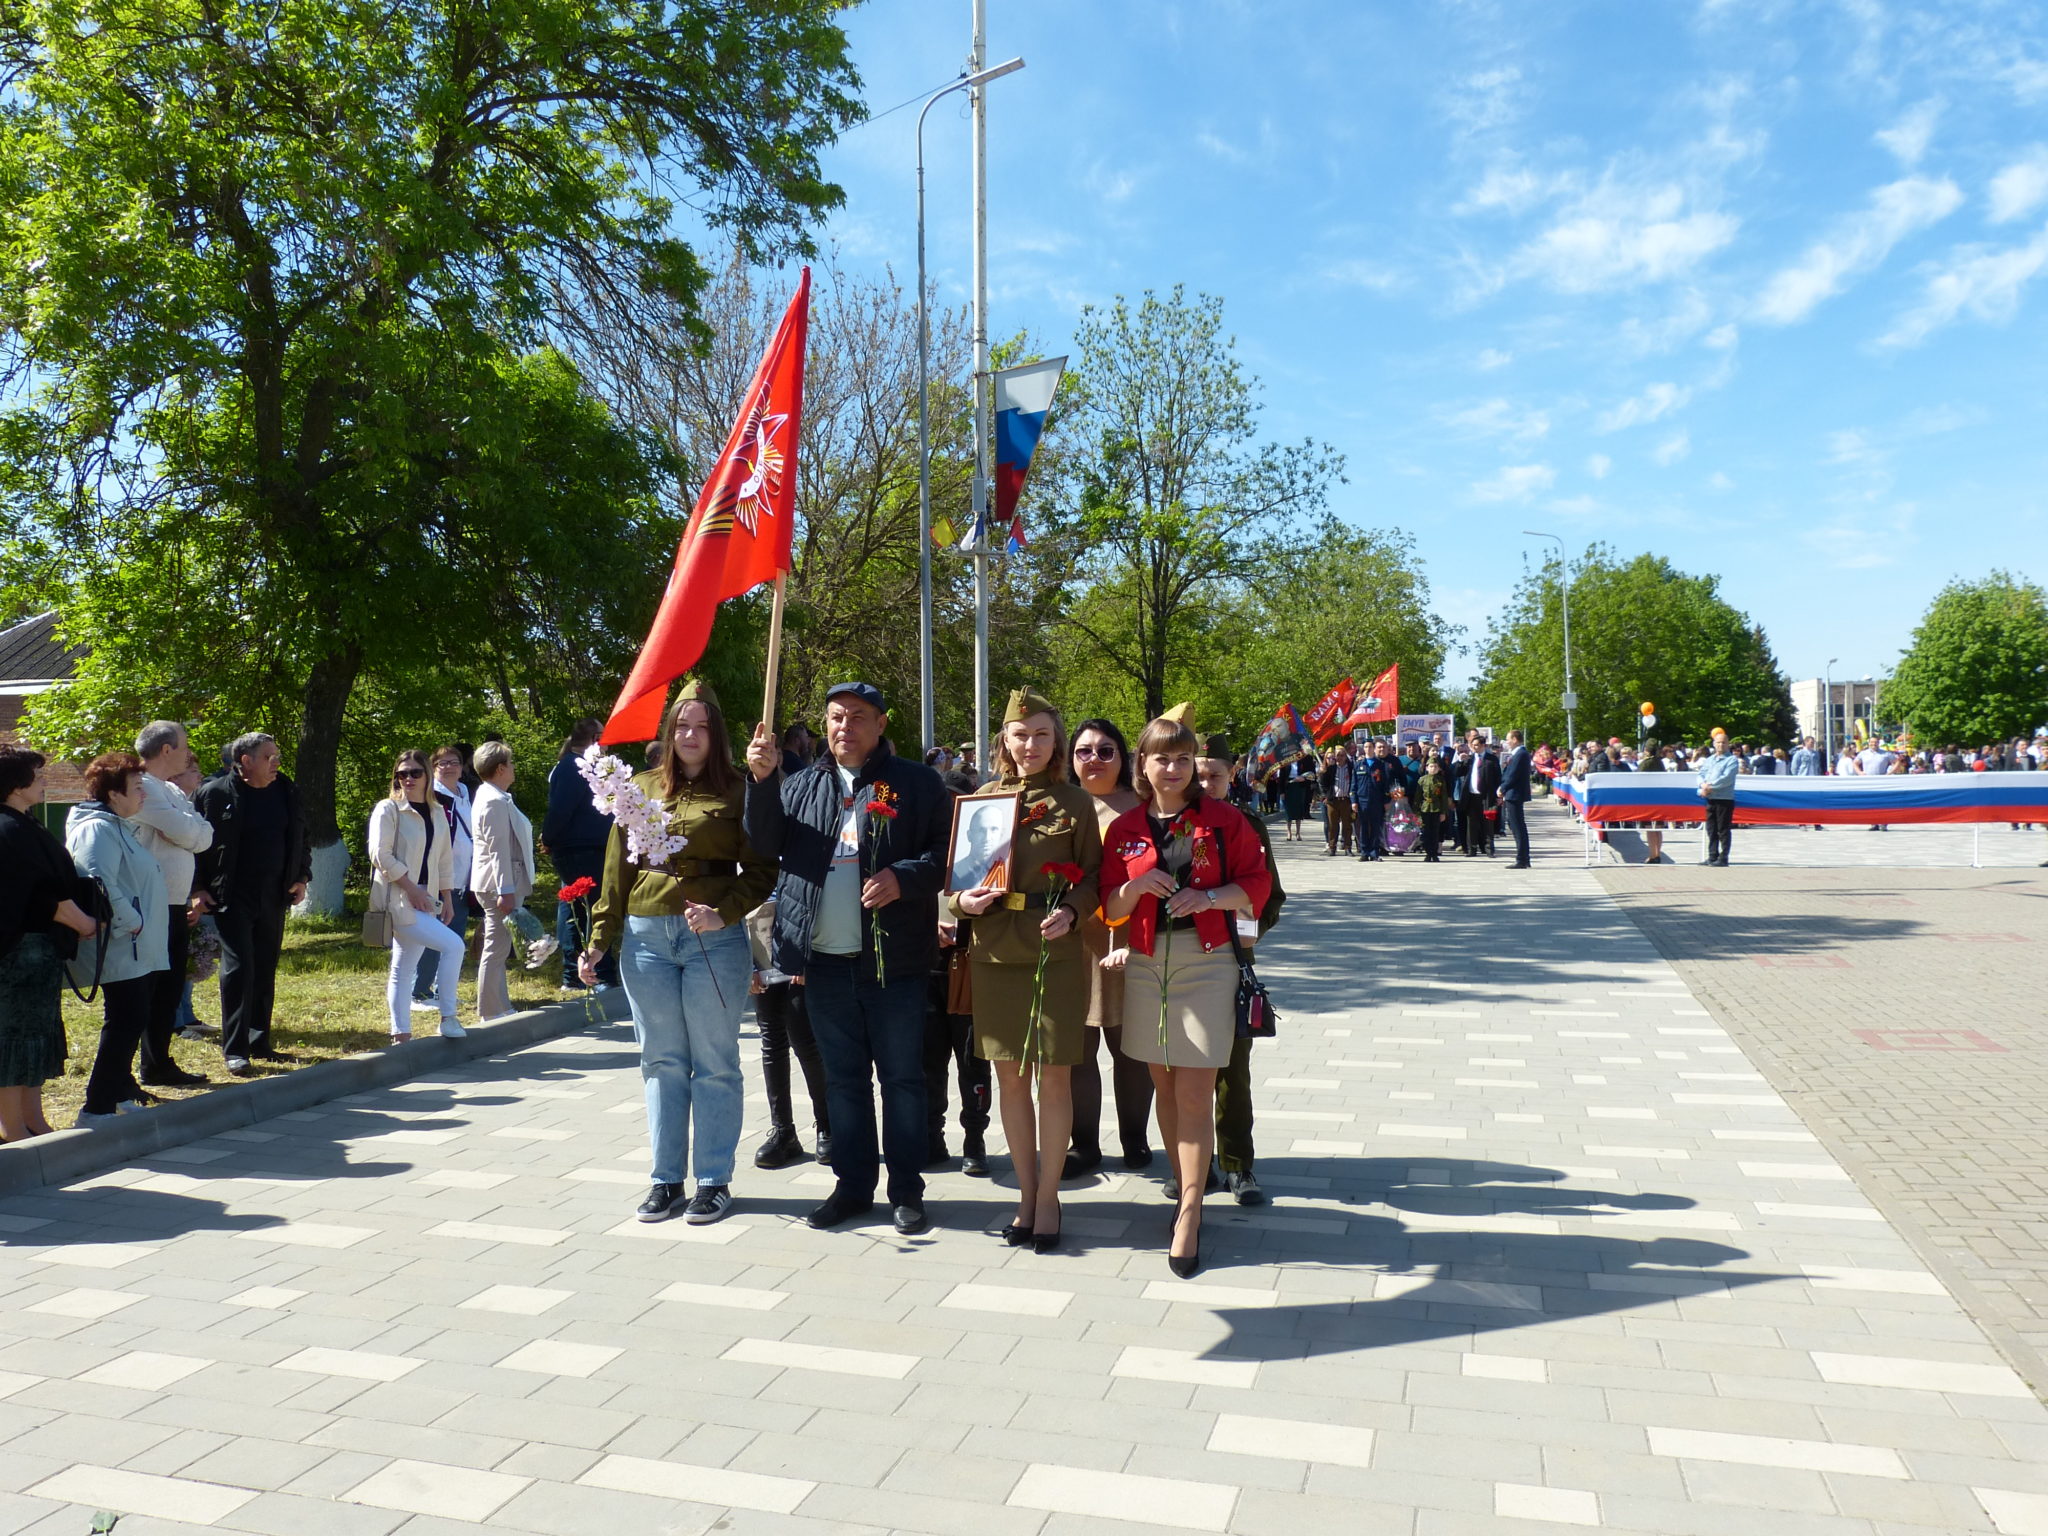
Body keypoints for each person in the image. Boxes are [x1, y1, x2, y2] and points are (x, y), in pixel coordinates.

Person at [745, 681, 950, 1236]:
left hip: (895, 961)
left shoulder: (917, 782)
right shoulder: (802, 785)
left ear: (882, 724)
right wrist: (763, 782)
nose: (845, 727)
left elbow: (944, 856)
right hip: (825, 961)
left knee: (902, 1080)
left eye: (858, 717)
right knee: (843, 1080)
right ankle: (853, 1186)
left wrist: (902, 878)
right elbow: (763, 846)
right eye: (836, 717)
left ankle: (906, 1188)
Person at [579, 682, 776, 1224]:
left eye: (702, 727)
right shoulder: (639, 787)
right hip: (646, 939)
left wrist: (725, 913)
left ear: (717, 735)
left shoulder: (739, 790)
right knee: (661, 1061)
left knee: (714, 1063)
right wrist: (599, 938)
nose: (690, 736)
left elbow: (762, 872)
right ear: (669, 734)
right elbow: (616, 872)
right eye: (681, 726)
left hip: (712, 936)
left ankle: (713, 1179)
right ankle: (666, 1178)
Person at [1100, 714, 1271, 1277]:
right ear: (1142, 765)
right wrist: (1133, 886)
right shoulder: (1124, 827)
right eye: (1160, 758)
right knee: (1165, 1090)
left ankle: (1191, 1214)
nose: (1170, 768)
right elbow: (1111, 907)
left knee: (1196, 1090)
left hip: (1208, 962)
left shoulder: (1225, 820)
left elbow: (1257, 886)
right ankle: (1185, 1189)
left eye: (1181, 758)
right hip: (1146, 964)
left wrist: (1211, 897)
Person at [950, 690, 1102, 1252]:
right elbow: (957, 880)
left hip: (1053, 950)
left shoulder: (1075, 803)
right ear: (1004, 742)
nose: (1030, 745)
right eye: (1020, 735)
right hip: (994, 950)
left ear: (1056, 741)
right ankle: (1025, 1192)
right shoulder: (981, 800)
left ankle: (1049, 1197)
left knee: (1054, 1076)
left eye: (1042, 734)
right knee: (1010, 1078)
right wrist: (958, 905)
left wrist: (1072, 910)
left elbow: (1092, 878)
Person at [1198, 735, 1285, 1207]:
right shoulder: (1170, 824)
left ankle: (1237, 1164)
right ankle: (1191, 1165)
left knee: (1233, 1070)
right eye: (1199, 773)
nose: (1206, 782)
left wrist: (1251, 929)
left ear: (1232, 775)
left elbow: (1270, 894)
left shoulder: (1248, 825)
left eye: (1215, 774)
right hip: (1178, 960)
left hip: (1232, 960)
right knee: (1183, 1071)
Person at [1066, 718, 1154, 1175]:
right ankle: (1083, 1144)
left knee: (1131, 1048)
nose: (1095, 759)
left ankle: (1135, 1140)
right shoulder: (1061, 805)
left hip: (1130, 940)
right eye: (1084, 751)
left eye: (1106, 750)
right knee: (1078, 1050)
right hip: (1071, 941)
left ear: (1124, 757)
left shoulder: (1145, 806)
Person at [192, 733, 309, 1074]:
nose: (277, 762)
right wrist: (198, 887)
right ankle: (236, 1050)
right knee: (239, 967)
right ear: (246, 760)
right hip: (230, 895)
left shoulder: (286, 790)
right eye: (269, 756)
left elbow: (301, 836)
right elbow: (196, 846)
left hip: (274, 894)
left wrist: (302, 876)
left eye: (277, 755)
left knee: (263, 965)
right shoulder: (214, 794)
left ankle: (260, 1041)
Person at [65, 753, 169, 1124]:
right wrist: (133, 921)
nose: (143, 795)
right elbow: (98, 882)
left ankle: (121, 1091)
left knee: (133, 1017)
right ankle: (96, 1106)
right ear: (113, 793)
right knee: (126, 1018)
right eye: (137, 788)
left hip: (137, 946)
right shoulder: (96, 829)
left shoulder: (118, 826)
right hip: (122, 944)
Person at [1, 746, 98, 1141]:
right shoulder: (9, 830)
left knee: (36, 1037)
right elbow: (41, 895)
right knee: (14, 1040)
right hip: (19, 954)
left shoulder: (23, 824)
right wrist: (86, 922)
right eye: (37, 775)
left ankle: (32, 1118)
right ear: (16, 783)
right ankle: (10, 1126)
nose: (44, 780)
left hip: (36, 954)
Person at [129, 721, 214, 1088]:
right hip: (151, 904)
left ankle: (158, 1063)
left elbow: (204, 835)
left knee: (168, 988)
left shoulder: (170, 790)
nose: (186, 752)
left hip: (175, 904)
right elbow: (186, 832)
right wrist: (188, 831)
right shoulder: (142, 786)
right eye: (183, 746)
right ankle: (136, 1068)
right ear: (166, 750)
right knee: (148, 989)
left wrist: (188, 831)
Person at [367, 750, 466, 1046]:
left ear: (427, 774)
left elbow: (444, 860)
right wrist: (411, 888)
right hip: (399, 898)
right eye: (401, 774)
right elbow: (379, 854)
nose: (407, 779)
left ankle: (401, 1035)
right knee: (454, 946)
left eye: (414, 773)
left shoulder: (437, 811)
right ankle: (448, 1017)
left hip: (428, 897)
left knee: (403, 965)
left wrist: (446, 898)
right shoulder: (389, 809)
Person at [748, 898, 831, 1170]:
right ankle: (783, 1132)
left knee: (805, 1040)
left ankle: (828, 1127)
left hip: (801, 947)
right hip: (760, 950)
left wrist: (809, 956)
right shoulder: (748, 854)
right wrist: (747, 965)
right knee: (771, 1042)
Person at [470, 741, 550, 1022]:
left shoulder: (497, 796)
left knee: (499, 948)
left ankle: (499, 1006)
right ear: (501, 768)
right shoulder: (492, 801)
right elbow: (498, 850)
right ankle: (491, 1012)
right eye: (511, 764)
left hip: (501, 882)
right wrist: (505, 891)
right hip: (498, 885)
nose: (514, 769)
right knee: (496, 948)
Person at [543, 718, 617, 991]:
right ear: (595, 738)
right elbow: (560, 810)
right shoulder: (572, 767)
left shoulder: (594, 768)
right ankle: (598, 975)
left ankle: (579, 975)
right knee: (589, 913)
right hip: (580, 850)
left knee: (582, 912)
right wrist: (548, 837)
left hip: (593, 848)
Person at [412, 746, 475, 1013]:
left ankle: (441, 989)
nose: (449, 767)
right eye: (442, 763)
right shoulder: (433, 795)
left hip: (463, 877)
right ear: (434, 767)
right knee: (433, 936)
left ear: (462, 767)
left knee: (455, 935)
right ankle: (419, 992)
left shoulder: (465, 793)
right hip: (438, 877)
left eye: (454, 762)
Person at [1695, 729, 1741, 866]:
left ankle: (1723, 857)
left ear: (1728, 744)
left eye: (1723, 742)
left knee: (1723, 829)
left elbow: (1726, 779)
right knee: (1711, 829)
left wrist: (1709, 787)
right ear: (1714, 744)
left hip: (1724, 799)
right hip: (1710, 798)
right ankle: (1712, 856)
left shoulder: (1732, 760)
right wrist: (1702, 785)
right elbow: (1700, 774)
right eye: (1718, 742)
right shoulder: (1709, 760)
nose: (1721, 745)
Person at [1461, 733, 1501, 856]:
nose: (1474, 748)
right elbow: (1458, 772)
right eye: (1472, 745)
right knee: (1471, 824)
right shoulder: (1470, 758)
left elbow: (1498, 778)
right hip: (1472, 796)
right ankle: (1472, 849)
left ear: (1483, 745)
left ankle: (1489, 849)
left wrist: (1499, 795)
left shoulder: (1491, 759)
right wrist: (1461, 761)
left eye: (1477, 745)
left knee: (1487, 824)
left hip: (1486, 796)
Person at [1499, 729, 1533, 868]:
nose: (1506, 742)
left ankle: (1522, 859)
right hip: (1512, 793)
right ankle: (1523, 857)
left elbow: (1513, 774)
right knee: (1515, 825)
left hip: (1515, 794)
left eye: (1508, 739)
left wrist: (1503, 787)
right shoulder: (1518, 754)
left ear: (1514, 739)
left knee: (1517, 826)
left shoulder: (1521, 754)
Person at [1318, 741, 1355, 856]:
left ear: (1345, 756)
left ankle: (1347, 847)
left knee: (1347, 825)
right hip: (1333, 801)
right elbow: (1323, 783)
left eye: (1342, 755)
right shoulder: (1331, 768)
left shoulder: (1351, 767)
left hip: (1346, 800)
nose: (1340, 757)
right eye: (1338, 755)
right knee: (1332, 826)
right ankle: (1332, 847)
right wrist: (1325, 795)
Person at [1416, 750, 1450, 861]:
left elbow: (1444, 797)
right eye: (1431, 766)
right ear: (1426, 768)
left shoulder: (1441, 781)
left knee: (1435, 832)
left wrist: (1443, 812)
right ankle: (1428, 853)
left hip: (1436, 808)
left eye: (1435, 766)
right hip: (1425, 808)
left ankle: (1434, 853)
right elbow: (1418, 797)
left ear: (1438, 768)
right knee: (1426, 832)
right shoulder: (1422, 780)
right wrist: (1416, 813)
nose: (1433, 768)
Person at [1280, 757, 1314, 842]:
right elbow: (1281, 777)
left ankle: (1298, 832)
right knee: (1289, 810)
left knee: (1299, 808)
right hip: (1289, 787)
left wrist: (1303, 779)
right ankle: (1289, 832)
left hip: (1299, 787)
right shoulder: (1285, 762)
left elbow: (1309, 774)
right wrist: (1281, 792)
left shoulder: (1303, 761)